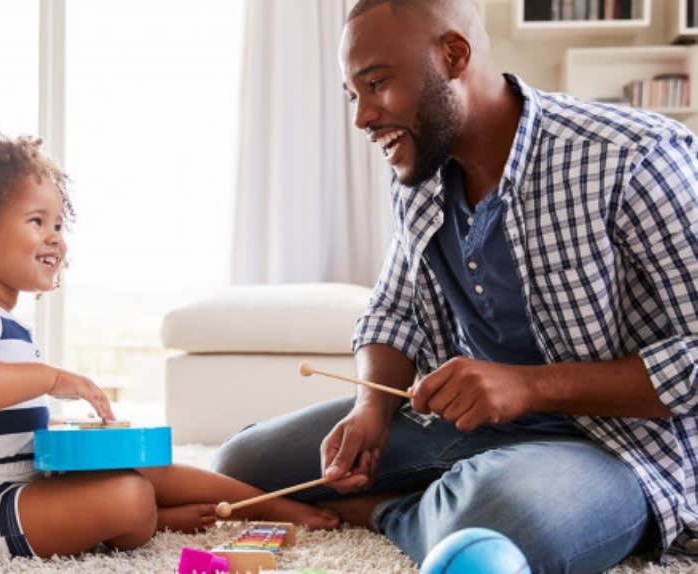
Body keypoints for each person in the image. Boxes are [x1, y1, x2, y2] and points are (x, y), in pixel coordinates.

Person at [212, 1, 698, 572]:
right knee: (243, 461)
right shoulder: (420, 172)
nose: (362, 117)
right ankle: (448, 495)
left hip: (621, 450)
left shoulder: (635, 159)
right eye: (353, 95)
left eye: (377, 84)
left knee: (501, 521)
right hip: (472, 430)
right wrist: (372, 408)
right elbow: (393, 311)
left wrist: (531, 388)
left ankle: (385, 511)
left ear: (453, 55)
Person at [0, 128, 338, 559]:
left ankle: (268, 505)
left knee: (140, 467)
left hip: (22, 486)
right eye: (36, 221)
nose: (55, 237)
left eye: (59, 224)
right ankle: (154, 518)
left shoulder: (4, 320)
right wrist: (53, 378)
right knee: (130, 494)